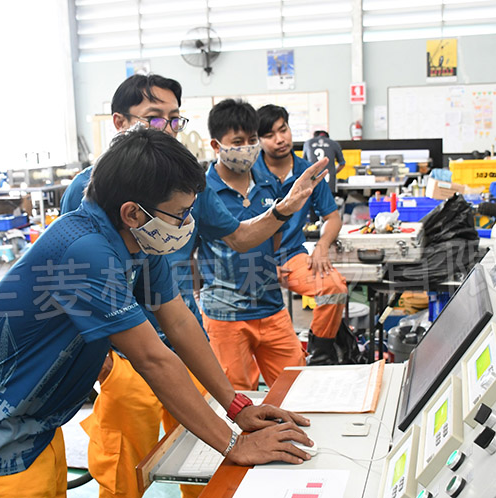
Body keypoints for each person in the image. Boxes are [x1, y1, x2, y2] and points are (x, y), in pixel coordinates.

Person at [0, 128, 314, 498]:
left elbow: (179, 321)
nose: (187, 224)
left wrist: (236, 406)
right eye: (180, 214)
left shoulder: (141, 242)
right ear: (133, 212)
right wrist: (235, 445)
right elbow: (153, 359)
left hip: (35, 428)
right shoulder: (86, 251)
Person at [59, 74, 327, 498]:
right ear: (119, 122)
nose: (167, 129)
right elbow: (81, 295)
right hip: (127, 353)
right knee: (125, 471)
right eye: (154, 118)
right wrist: (103, 361)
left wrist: (283, 209)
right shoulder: (91, 196)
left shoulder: (177, 193)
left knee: (203, 466)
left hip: (182, 344)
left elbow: (229, 247)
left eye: (175, 119)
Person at [199, 99, 311, 391]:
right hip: (225, 316)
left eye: (252, 140)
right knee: (236, 399)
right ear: (216, 145)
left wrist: (272, 264)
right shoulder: (202, 192)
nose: (247, 148)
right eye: (237, 142)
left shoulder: (268, 183)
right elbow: (187, 253)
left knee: (295, 389)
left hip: (271, 306)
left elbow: (275, 234)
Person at [257, 105, 348, 365]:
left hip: (292, 257)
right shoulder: (249, 173)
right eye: (269, 135)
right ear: (258, 139)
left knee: (334, 287)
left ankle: (319, 356)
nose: (280, 139)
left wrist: (322, 246)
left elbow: (332, 217)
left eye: (283, 130)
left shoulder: (308, 172)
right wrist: (264, 265)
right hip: (253, 261)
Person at [302, 130, 345, 195]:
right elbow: (342, 163)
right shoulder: (334, 143)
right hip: (330, 185)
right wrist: (333, 172)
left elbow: (303, 164)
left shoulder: (308, 143)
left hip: (312, 185)